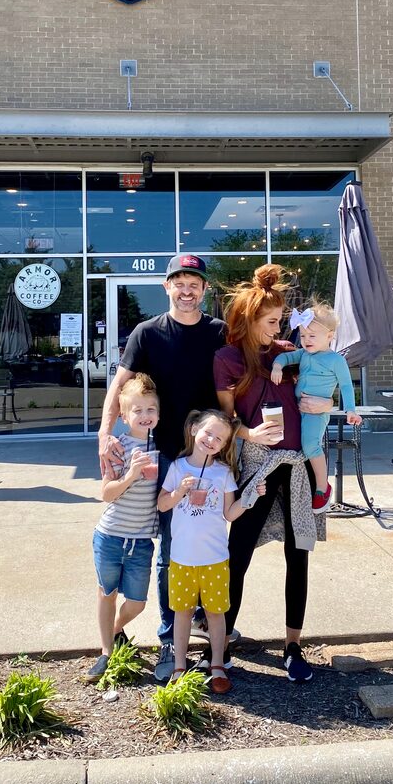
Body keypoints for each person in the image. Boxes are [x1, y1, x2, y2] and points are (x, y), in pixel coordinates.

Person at [98, 253, 226, 681]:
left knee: (207, 540)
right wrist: (104, 433)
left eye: (195, 284)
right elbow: (119, 386)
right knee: (170, 549)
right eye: (179, 283)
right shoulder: (147, 333)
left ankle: (209, 620)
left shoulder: (219, 333)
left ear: (204, 290)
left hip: (208, 454)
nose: (187, 291)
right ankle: (172, 638)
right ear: (167, 287)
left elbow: (243, 376)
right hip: (165, 454)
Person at [213, 263, 333, 684]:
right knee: (238, 555)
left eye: (280, 321)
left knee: (297, 556)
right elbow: (225, 421)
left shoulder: (290, 352)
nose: (278, 328)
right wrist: (250, 432)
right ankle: (221, 643)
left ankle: (293, 646)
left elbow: (328, 380)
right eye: (270, 321)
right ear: (248, 320)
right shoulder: (227, 359)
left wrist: (330, 406)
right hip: (258, 466)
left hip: (298, 466)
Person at [157, 409, 264, 694]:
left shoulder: (224, 472)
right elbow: (163, 504)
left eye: (219, 439)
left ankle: (218, 664)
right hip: (181, 559)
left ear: (224, 445)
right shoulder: (178, 468)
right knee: (182, 613)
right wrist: (179, 491)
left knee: (216, 615)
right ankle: (180, 665)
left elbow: (229, 514)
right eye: (208, 433)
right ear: (193, 429)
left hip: (215, 559)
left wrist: (250, 498)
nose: (212, 440)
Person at [87, 374, 161, 682]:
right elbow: (106, 494)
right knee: (107, 593)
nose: (144, 416)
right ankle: (106, 652)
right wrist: (130, 475)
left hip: (142, 539)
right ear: (124, 413)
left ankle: (117, 630)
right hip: (111, 535)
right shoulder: (117, 447)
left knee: (137, 603)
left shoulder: (163, 446)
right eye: (137, 410)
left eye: (150, 409)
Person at [271, 302, 362, 514]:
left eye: (312, 336)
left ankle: (323, 486)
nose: (306, 340)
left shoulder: (335, 360)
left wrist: (350, 410)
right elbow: (286, 356)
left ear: (329, 336)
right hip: (297, 409)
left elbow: (346, 385)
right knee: (298, 445)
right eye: (303, 336)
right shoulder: (303, 354)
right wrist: (277, 365)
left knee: (311, 445)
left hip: (316, 413)